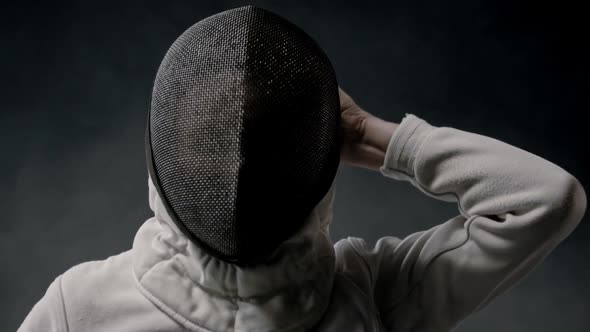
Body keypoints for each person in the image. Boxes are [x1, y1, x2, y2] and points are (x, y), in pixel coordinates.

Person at [18, 6, 586, 332]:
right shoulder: (377, 300)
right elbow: (546, 198)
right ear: (318, 171)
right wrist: (375, 136)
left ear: (159, 162)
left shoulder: (80, 307)